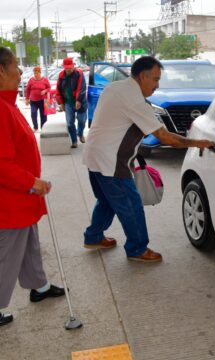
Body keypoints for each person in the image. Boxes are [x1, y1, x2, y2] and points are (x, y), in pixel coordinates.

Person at [83, 56, 215, 263]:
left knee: (107, 200)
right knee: (132, 205)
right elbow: (165, 137)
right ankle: (137, 248)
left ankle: (94, 236)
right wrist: (198, 143)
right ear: (142, 76)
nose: (157, 85)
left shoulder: (114, 87)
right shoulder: (135, 100)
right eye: (155, 79)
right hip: (112, 162)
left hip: (93, 156)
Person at [0, 46, 65, 326]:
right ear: (1, 71)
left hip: (23, 196)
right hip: (10, 199)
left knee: (30, 245)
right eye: (15, 65)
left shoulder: (8, 104)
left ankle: (38, 286)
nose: (19, 71)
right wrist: (31, 182)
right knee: (6, 256)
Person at [56, 57, 87, 148]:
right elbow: (58, 91)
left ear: (73, 66)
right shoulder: (61, 76)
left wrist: (78, 100)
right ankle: (74, 141)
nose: (68, 69)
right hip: (68, 102)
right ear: (64, 67)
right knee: (70, 122)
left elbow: (81, 87)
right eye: (66, 67)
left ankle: (80, 133)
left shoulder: (79, 73)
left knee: (82, 120)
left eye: (70, 67)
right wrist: (61, 103)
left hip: (80, 101)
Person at [25, 66, 51, 131]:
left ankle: (43, 128)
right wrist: (27, 99)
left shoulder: (45, 80)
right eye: (35, 73)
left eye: (37, 73)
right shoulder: (31, 80)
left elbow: (49, 88)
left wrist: (45, 91)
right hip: (33, 100)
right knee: (33, 113)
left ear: (40, 73)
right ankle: (35, 127)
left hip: (43, 100)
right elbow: (27, 90)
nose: (36, 75)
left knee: (43, 115)